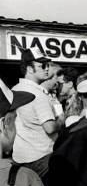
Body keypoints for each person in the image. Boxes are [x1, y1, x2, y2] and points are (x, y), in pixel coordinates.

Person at [11, 47, 65, 179]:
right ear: (29, 69)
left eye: (47, 65)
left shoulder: (14, 89)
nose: (47, 68)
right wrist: (61, 120)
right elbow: (50, 127)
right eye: (42, 65)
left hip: (20, 157)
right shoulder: (38, 94)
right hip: (41, 158)